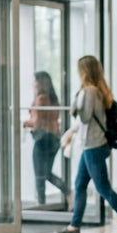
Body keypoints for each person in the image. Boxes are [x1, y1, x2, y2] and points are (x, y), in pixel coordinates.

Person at [57, 56, 117, 233]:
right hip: (92, 145)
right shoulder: (97, 90)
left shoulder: (90, 91)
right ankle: (74, 226)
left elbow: (84, 118)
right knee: (80, 184)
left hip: (94, 146)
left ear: (83, 71)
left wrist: (74, 106)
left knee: (103, 187)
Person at [23, 71, 70, 205]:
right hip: (54, 139)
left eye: (35, 81)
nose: (33, 84)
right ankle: (68, 192)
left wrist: (25, 123)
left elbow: (37, 122)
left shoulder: (41, 99)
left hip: (42, 139)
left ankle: (41, 206)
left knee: (39, 176)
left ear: (40, 83)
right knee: (47, 173)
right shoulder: (53, 99)